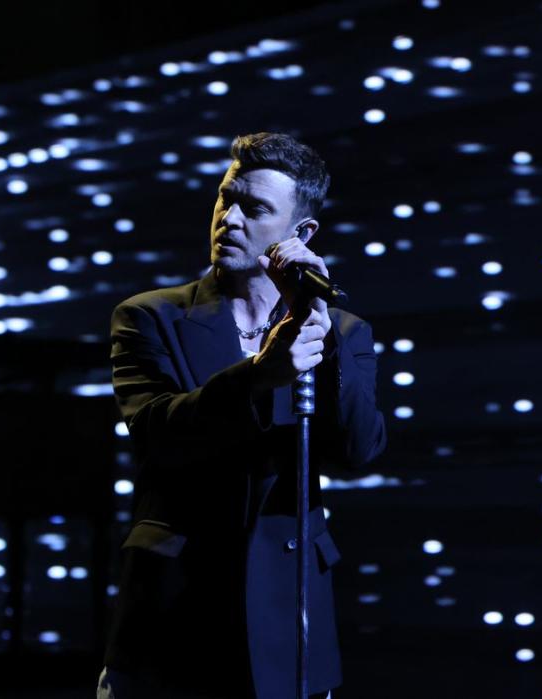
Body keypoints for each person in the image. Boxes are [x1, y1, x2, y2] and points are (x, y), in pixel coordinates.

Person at [97, 132, 387, 698]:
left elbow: (356, 450)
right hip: (176, 606)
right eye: (225, 198)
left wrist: (319, 327)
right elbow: (159, 434)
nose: (229, 218)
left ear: (299, 235)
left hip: (288, 609)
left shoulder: (343, 331)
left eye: (254, 209)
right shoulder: (151, 316)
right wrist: (260, 374)